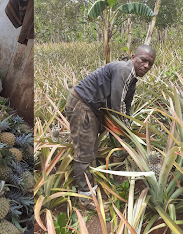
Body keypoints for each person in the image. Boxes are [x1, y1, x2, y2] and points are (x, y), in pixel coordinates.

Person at [65, 45, 156, 209]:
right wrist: (129, 133)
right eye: (144, 60)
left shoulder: (132, 78)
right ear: (133, 57)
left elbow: (126, 107)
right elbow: (117, 106)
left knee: (90, 148)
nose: (147, 66)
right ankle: (86, 198)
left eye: (151, 63)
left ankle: (87, 181)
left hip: (90, 107)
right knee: (84, 153)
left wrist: (127, 129)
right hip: (82, 106)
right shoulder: (125, 70)